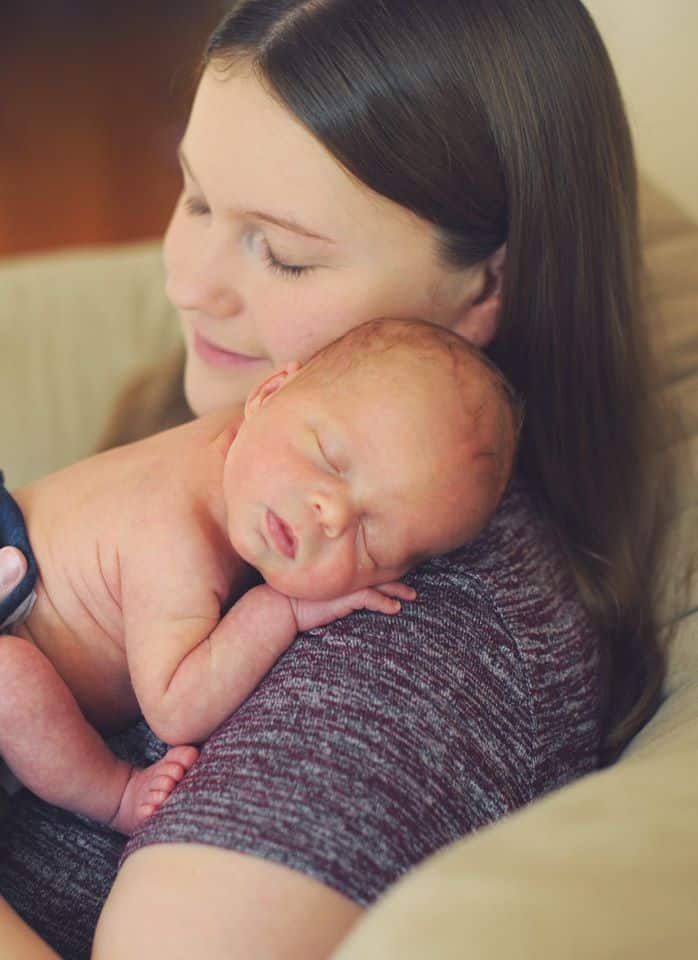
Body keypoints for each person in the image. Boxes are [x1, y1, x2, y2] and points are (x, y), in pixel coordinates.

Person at [0, 1, 675, 957]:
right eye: (193, 196)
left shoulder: (414, 633)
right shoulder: (223, 438)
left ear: (488, 287)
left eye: (282, 253)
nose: (187, 280)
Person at [0, 317, 517, 834]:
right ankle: (112, 795)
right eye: (331, 461)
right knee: (10, 677)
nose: (331, 514)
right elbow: (175, 706)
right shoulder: (176, 533)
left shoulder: (256, 443)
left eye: (371, 537)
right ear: (269, 391)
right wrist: (280, 610)